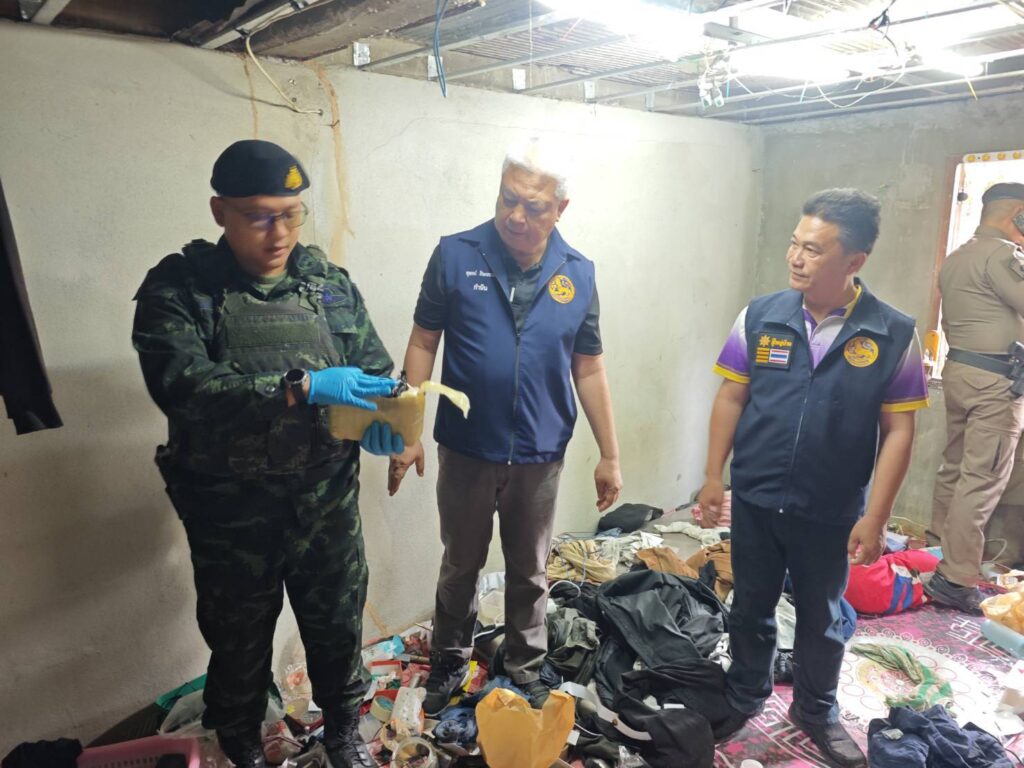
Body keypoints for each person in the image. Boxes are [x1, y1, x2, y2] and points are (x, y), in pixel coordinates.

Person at [132, 140, 403, 768]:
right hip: (231, 513)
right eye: (258, 217)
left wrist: (388, 423)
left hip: (326, 503)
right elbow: (182, 386)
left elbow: (373, 372)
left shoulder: (328, 286)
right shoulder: (181, 289)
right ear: (219, 212)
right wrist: (299, 387)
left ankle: (343, 734)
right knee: (238, 640)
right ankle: (243, 744)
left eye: (291, 214)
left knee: (338, 628)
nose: (279, 234)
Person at [388, 136, 623, 714]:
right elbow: (423, 341)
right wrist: (408, 429)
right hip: (467, 448)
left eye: (533, 206)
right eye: (507, 198)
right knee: (459, 566)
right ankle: (450, 659)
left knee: (530, 571)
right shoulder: (456, 254)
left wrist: (610, 454)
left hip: (540, 453)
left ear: (560, 209)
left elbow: (589, 366)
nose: (516, 216)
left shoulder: (578, 273)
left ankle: (525, 666)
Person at [698, 189, 929, 768]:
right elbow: (731, 396)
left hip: (830, 507)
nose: (795, 258)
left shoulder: (892, 332)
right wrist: (712, 476)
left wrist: (876, 515)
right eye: (794, 244)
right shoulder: (761, 315)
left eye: (814, 249)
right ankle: (744, 693)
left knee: (822, 617)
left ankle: (816, 709)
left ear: (855, 260)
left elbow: (899, 430)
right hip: (756, 495)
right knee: (750, 605)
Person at [927, 182, 1024, 613]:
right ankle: (955, 578)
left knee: (955, 468)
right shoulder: (1002, 256)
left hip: (963, 373)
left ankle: (936, 552)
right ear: (1018, 213)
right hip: (995, 384)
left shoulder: (959, 256)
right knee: (981, 480)